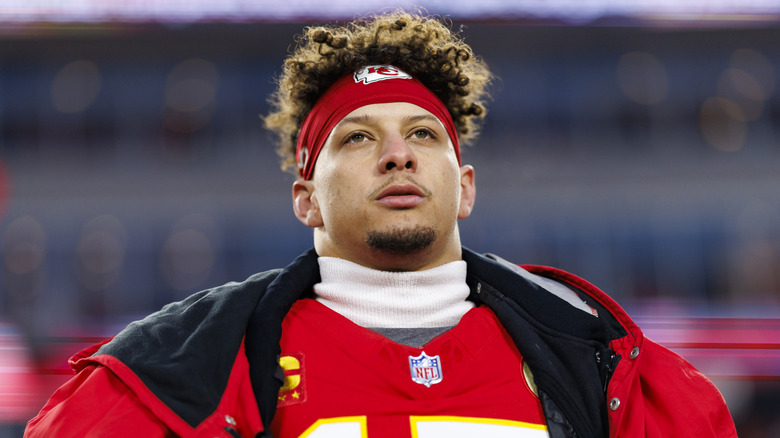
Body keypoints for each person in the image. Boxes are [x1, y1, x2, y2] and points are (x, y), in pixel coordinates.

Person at [25, 10, 736, 438]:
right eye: (357, 138)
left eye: (424, 135)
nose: (398, 152)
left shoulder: (601, 358)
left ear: (464, 188)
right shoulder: (185, 366)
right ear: (305, 198)